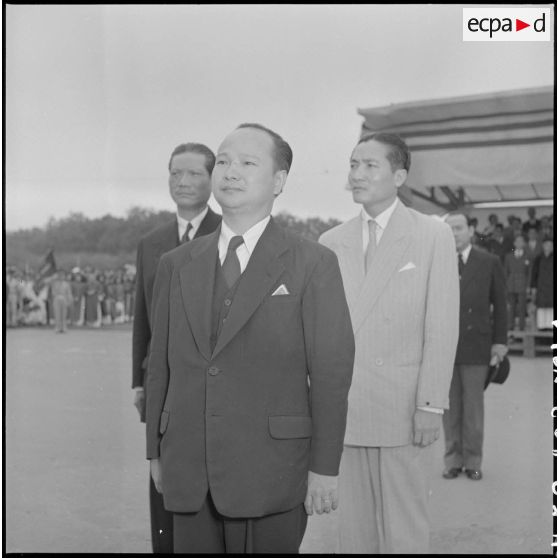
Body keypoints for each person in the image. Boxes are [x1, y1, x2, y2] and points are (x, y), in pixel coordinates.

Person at [145, 123, 355, 554]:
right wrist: (155, 451)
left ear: (278, 181)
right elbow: (160, 364)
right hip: (189, 471)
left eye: (248, 162)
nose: (230, 171)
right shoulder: (176, 263)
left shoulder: (312, 263)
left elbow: (332, 374)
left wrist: (324, 468)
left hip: (272, 475)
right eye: (223, 161)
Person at [319, 132, 459, 553]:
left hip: (404, 409)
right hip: (347, 407)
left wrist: (430, 404)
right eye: (352, 165)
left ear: (399, 175)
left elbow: (442, 325)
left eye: (369, 165)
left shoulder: (432, 235)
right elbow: (324, 334)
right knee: (354, 533)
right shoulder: (330, 242)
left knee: (404, 531)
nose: (356, 175)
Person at [132, 142, 222, 554]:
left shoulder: (227, 233)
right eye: (175, 174)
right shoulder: (151, 242)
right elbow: (143, 317)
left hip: (208, 380)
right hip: (161, 381)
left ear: (213, 178)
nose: (183, 182)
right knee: (162, 482)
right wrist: (139, 381)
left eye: (194, 174)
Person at [442, 213, 508, 482]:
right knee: (449, 408)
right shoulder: (439, 261)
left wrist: (500, 342)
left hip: (476, 345)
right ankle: (452, 460)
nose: (454, 234)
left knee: (473, 407)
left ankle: (472, 461)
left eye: (458, 228)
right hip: (445, 347)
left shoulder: (489, 262)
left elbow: (501, 305)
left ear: (471, 230)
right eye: (449, 230)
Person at [504, 234, 530, 331]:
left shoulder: (527, 256)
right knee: (511, 307)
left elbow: (529, 272)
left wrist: (528, 285)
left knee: (522, 307)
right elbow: (505, 271)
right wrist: (505, 284)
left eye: (521, 241)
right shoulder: (508, 256)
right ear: (514, 243)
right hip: (511, 284)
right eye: (517, 241)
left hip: (522, 284)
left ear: (524, 243)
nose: (519, 243)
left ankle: (521, 327)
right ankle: (510, 326)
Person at [530, 236, 554, 330]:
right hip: (541, 287)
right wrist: (533, 287)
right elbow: (534, 274)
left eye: (551, 245)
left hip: (552, 287)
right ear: (543, 246)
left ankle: (551, 327)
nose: (549, 247)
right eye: (547, 245)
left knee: (552, 307)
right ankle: (541, 328)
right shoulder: (538, 258)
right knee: (541, 307)